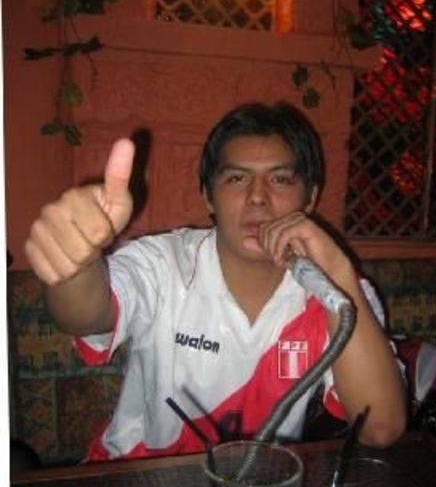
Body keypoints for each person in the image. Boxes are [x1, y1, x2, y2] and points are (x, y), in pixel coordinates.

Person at [24, 102, 407, 461]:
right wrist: (75, 263)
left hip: (256, 486)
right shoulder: (164, 264)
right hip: (138, 477)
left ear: (310, 198)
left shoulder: (335, 289)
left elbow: (380, 428)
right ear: (208, 196)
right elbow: (85, 315)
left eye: (280, 179)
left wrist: (338, 270)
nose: (258, 198)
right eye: (237, 178)